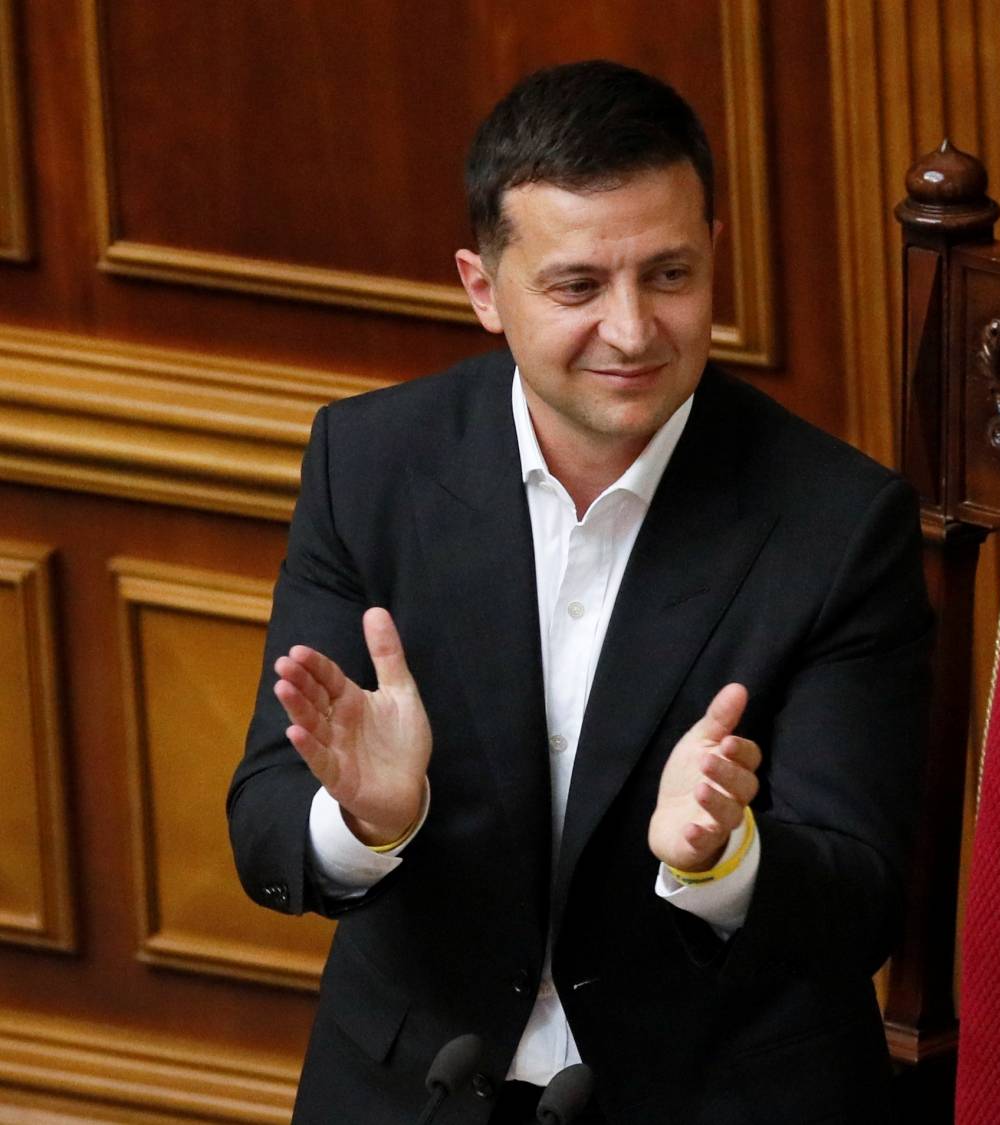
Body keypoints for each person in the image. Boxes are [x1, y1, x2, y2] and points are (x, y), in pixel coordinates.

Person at [227, 59, 931, 1124]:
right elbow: (265, 823)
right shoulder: (368, 462)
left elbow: (864, 900)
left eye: (670, 275)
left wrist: (729, 858)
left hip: (716, 1096)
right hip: (412, 1089)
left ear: (716, 259)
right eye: (577, 287)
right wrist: (367, 819)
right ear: (482, 289)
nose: (635, 330)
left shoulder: (839, 522)